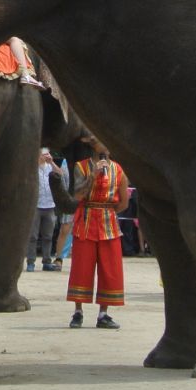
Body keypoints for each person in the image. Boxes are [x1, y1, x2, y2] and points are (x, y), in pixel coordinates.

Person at [67, 136, 130, 329]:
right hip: (85, 221)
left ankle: (104, 313)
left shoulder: (118, 169)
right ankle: (78, 311)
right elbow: (77, 195)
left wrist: (107, 211)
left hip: (108, 221)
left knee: (110, 269)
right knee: (81, 267)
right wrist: (92, 176)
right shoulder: (82, 167)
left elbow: (123, 202)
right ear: (93, 145)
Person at [30, 148, 61, 272]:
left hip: (49, 205)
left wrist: (52, 163)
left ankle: (47, 261)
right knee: (32, 236)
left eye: (48, 154)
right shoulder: (32, 167)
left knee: (48, 236)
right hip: (36, 206)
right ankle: (30, 261)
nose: (46, 156)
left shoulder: (50, 167)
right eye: (44, 154)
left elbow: (60, 175)